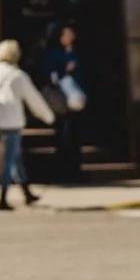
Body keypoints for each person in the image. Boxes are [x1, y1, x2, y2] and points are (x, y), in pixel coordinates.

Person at [0, 39, 54, 210]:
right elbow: (34, 99)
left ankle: (26, 192)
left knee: (15, 156)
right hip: (11, 121)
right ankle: (3, 196)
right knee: (10, 158)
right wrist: (48, 117)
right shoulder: (17, 75)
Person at [40, 22, 85, 184]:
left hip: (75, 98)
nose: (70, 37)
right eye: (66, 34)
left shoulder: (75, 53)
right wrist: (64, 71)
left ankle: (74, 167)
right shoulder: (54, 54)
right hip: (61, 101)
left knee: (74, 134)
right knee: (63, 134)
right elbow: (50, 76)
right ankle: (64, 169)